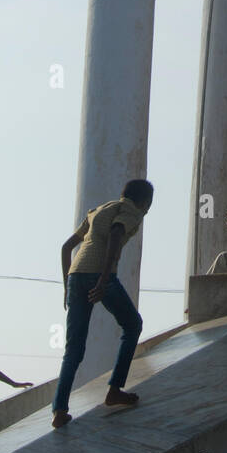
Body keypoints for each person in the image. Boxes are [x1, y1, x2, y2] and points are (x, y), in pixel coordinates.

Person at [51, 177, 153, 430]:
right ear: (144, 202)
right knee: (132, 325)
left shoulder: (98, 210)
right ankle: (115, 389)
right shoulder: (132, 211)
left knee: (73, 348)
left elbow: (66, 248)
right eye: (149, 204)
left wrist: (67, 286)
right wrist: (104, 278)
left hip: (76, 275)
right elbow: (117, 235)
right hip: (100, 276)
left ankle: (59, 409)